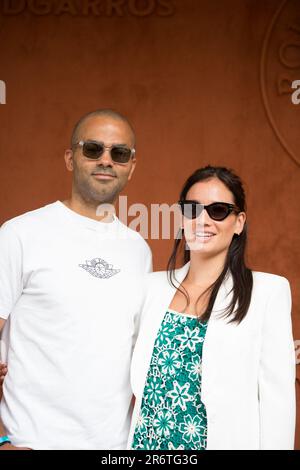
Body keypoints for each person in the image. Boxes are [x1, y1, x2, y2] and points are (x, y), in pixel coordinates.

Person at [0, 109, 152, 450]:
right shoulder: (19, 235)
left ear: (131, 166)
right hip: (32, 443)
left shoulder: (138, 251)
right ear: (71, 158)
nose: (106, 161)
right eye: (93, 149)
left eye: (120, 153)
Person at [127, 165, 296, 450]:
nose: (202, 220)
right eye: (192, 209)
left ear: (239, 222)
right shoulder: (150, 288)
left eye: (218, 210)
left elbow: (277, 403)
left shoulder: (268, 293)